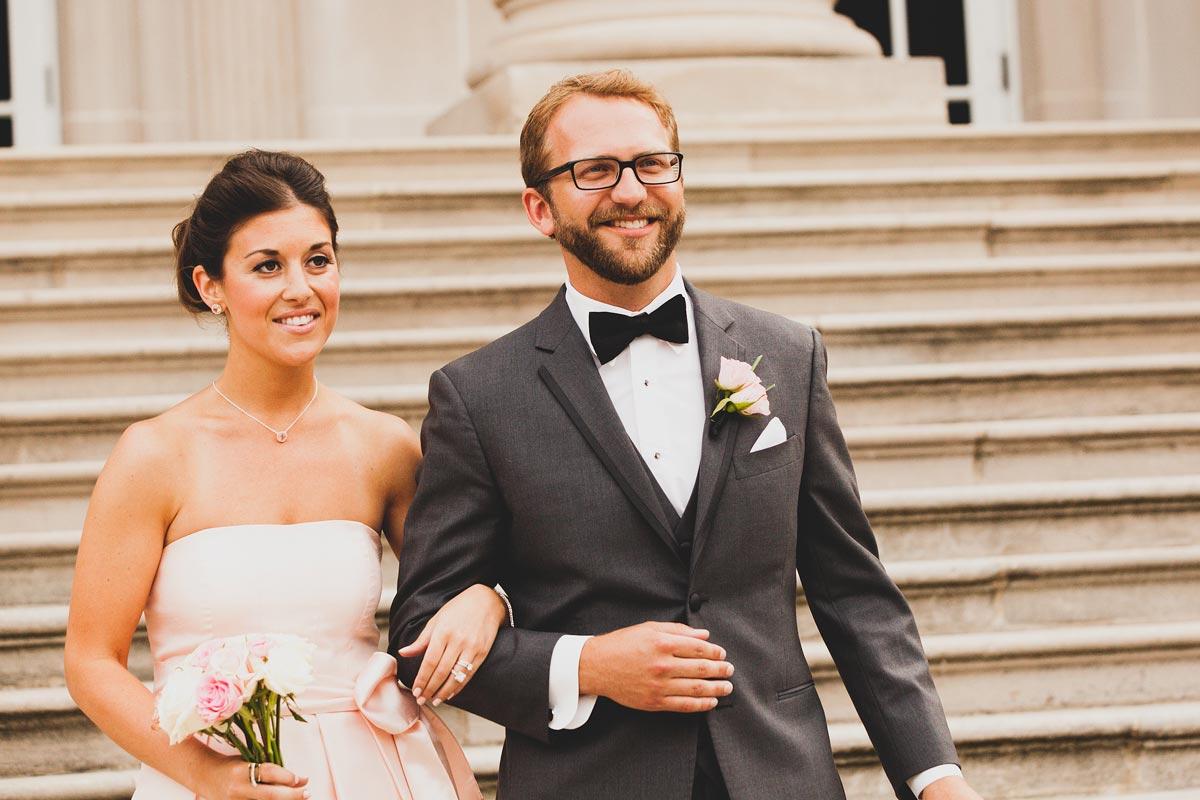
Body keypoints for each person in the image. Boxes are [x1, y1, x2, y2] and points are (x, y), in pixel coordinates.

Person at [389, 71, 986, 800]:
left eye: (652, 163)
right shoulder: (478, 396)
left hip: (779, 777)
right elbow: (420, 641)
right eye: (595, 171)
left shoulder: (786, 355)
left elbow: (856, 593)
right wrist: (586, 665)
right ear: (540, 208)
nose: (632, 191)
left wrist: (935, 776)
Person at [64, 150, 501, 800]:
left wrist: (489, 597)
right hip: (219, 775)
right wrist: (208, 777)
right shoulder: (155, 456)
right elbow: (90, 662)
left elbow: (453, 591)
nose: (301, 288)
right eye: (267, 265)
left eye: (318, 260)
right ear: (211, 286)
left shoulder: (383, 446)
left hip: (377, 771)